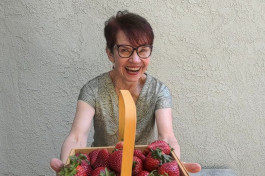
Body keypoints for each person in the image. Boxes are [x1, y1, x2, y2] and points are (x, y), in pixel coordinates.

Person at [50, 10, 201, 174]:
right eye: (125, 50)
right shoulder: (92, 90)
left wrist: (174, 164)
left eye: (143, 50)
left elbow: (167, 137)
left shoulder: (158, 90)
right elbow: (77, 137)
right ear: (110, 54)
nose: (135, 60)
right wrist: (68, 168)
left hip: (142, 169)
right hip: (103, 170)